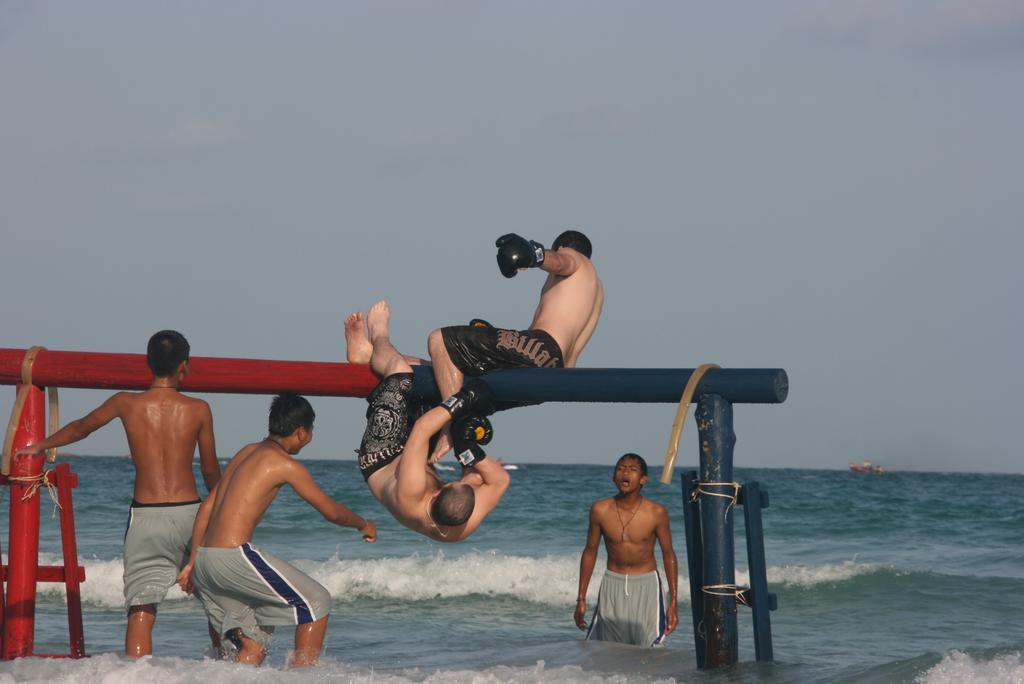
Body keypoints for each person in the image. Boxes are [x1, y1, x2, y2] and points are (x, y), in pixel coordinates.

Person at [16, 330, 220, 657]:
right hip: (190, 514)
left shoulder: (126, 403)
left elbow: (83, 427)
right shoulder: (198, 408)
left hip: (146, 515)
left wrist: (40, 445)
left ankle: (135, 677)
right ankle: (226, 671)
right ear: (185, 366)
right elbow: (210, 470)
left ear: (148, 363)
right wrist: (221, 507)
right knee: (215, 601)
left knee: (141, 608)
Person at [177, 393, 377, 667]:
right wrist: (363, 523)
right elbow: (331, 511)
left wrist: (192, 561)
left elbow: (206, 509)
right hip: (234, 556)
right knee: (317, 603)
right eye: (311, 430)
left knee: (253, 648)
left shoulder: (245, 452)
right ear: (301, 432)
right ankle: (300, 678)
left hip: (206, 559)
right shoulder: (285, 464)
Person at [427, 230, 603, 458]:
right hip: (551, 375)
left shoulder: (576, 260)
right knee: (465, 385)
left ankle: (450, 429)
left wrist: (533, 253)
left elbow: (561, 262)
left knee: (440, 339)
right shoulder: (595, 292)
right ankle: (461, 434)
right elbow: (567, 366)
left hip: (541, 346)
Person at [345, 300, 510, 542]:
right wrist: (469, 453)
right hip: (416, 455)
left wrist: (462, 400)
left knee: (401, 371)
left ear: (437, 493)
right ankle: (366, 355)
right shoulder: (463, 521)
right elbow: (500, 480)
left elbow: (422, 430)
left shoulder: (411, 494)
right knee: (441, 375)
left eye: (452, 481)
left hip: (382, 455)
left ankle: (379, 337)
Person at [574, 453, 679, 647]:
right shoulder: (600, 510)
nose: (625, 473)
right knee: (605, 650)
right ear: (614, 476)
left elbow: (668, 554)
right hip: (612, 583)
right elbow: (590, 551)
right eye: (621, 468)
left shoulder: (656, 512)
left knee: (651, 650)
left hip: (647, 585)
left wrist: (673, 601)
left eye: (632, 469)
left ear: (643, 479)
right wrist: (580, 597)